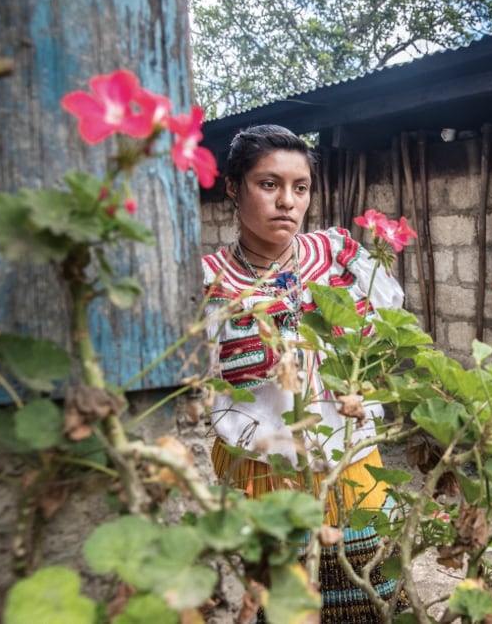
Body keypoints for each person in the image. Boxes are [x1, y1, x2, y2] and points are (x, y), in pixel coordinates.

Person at [201, 124, 407, 621]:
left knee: (368, 594)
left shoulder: (336, 256)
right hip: (260, 468)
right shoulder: (209, 280)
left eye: (300, 187)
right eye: (268, 185)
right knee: (275, 600)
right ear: (233, 187)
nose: (287, 202)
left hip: (349, 459)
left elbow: (387, 322)